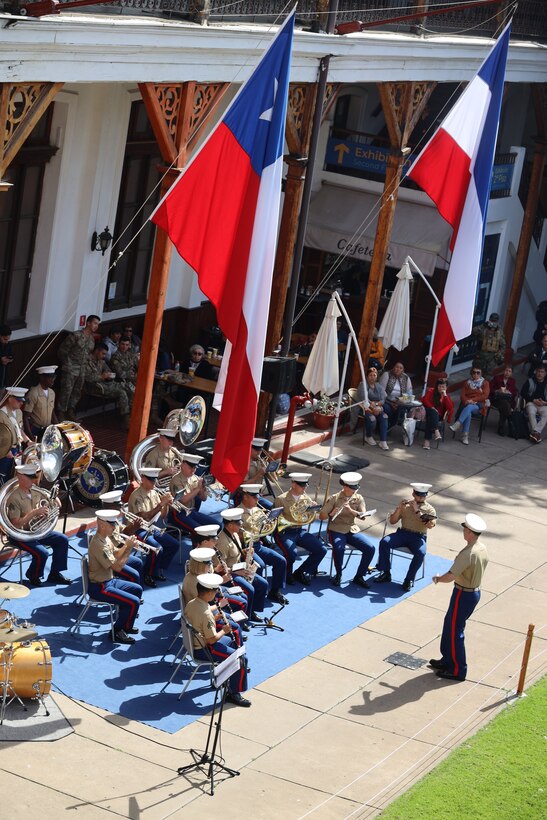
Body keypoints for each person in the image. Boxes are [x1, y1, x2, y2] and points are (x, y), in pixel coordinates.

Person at [429, 512, 488, 681]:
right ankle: (448, 659)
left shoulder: (467, 553)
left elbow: (451, 575)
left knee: (455, 631)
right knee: (450, 625)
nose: (463, 531)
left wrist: (439, 579)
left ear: (469, 532)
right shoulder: (481, 548)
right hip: (470, 592)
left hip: (464, 593)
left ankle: (458, 670)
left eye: (465, 529)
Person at [185, 573, 251, 707]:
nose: (215, 593)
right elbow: (211, 640)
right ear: (209, 593)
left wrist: (216, 619)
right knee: (240, 659)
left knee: (232, 643)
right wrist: (224, 631)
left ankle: (226, 677)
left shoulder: (192, 604)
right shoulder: (206, 613)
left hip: (196, 643)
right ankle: (233, 693)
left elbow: (200, 623)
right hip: (204, 649)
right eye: (214, 591)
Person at [6, 463, 71, 586]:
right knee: (42, 553)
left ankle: (55, 574)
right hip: (19, 535)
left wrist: (52, 500)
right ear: (20, 478)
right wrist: (34, 512)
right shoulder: (13, 497)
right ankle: (33, 574)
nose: (34, 480)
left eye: (34, 477)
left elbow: (57, 505)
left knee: (62, 540)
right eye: (30, 477)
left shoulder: (35, 491)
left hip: (35, 531)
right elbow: (15, 524)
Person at [87, 509, 142, 644]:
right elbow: (117, 567)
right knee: (133, 602)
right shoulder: (98, 544)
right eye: (112, 524)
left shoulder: (105, 538)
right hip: (99, 587)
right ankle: (116, 631)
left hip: (108, 581)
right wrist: (128, 548)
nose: (114, 527)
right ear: (103, 525)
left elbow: (116, 554)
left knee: (137, 589)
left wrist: (128, 545)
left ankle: (126, 626)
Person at [374, 482, 436, 591]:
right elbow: (392, 521)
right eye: (418, 495)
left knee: (420, 553)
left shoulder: (430, 509)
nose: (421, 497)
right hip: (403, 533)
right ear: (413, 494)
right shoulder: (406, 505)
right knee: (385, 542)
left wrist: (417, 511)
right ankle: (386, 572)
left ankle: (409, 579)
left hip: (418, 537)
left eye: (423, 495)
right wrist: (399, 509)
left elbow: (430, 525)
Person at [319, 472, 376, 588]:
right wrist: (331, 513)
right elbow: (322, 516)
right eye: (352, 488)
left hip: (351, 529)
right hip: (336, 529)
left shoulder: (358, 498)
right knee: (339, 548)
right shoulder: (335, 498)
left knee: (370, 548)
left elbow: (363, 516)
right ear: (345, 487)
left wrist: (351, 511)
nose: (355, 490)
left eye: (356, 487)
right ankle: (338, 574)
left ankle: (359, 576)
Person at [182, 545, 246, 643]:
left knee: (232, 617)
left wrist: (216, 571)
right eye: (208, 563)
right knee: (235, 627)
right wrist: (220, 605)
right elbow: (202, 606)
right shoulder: (196, 581)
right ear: (200, 565)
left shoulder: (196, 575)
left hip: (202, 610)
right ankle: (237, 650)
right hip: (201, 615)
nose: (210, 565)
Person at [273, 473, 327, 585]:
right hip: (285, 532)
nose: (304, 488)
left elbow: (310, 520)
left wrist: (312, 511)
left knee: (321, 550)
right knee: (291, 554)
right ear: (293, 484)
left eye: (305, 485)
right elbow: (273, 519)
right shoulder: (281, 499)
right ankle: (286, 575)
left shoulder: (306, 498)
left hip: (299, 531)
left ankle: (301, 571)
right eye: (302, 485)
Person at [240, 484, 288, 605]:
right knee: (259, 566)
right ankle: (254, 599)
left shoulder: (257, 510)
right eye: (254, 497)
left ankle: (275, 591)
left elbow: (263, 530)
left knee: (281, 560)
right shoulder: (238, 512)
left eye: (258, 497)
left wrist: (269, 521)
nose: (257, 499)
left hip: (257, 545)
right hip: (244, 549)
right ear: (245, 496)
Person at [217, 507, 268, 622]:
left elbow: (236, 552)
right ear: (230, 525)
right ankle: (244, 618)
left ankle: (252, 611)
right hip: (230, 574)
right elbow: (220, 567)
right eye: (238, 523)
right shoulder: (222, 541)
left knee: (263, 584)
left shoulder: (234, 534)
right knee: (249, 590)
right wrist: (235, 572)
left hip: (239, 568)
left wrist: (245, 552)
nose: (241, 525)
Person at [127, 467, 175, 585]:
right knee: (156, 549)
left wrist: (167, 504)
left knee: (174, 545)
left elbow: (162, 516)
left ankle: (158, 568)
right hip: (138, 529)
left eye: (155, 480)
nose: (154, 483)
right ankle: (148, 574)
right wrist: (161, 504)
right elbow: (145, 517)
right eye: (151, 480)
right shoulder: (136, 496)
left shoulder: (154, 492)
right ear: (143, 479)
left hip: (151, 527)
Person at [57, 314, 100, 420]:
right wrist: (68, 364)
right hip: (71, 368)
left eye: (98, 324)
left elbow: (89, 353)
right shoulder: (76, 336)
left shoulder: (91, 339)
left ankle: (71, 410)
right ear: (88, 323)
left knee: (77, 391)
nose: (96, 326)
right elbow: (62, 351)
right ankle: (61, 412)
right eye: (94, 323)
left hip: (82, 369)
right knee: (66, 390)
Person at [84, 342, 132, 427]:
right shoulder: (86, 361)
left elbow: (109, 371)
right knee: (121, 392)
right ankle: (126, 418)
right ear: (97, 351)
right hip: (95, 386)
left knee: (129, 387)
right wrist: (101, 376)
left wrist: (110, 375)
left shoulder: (101, 361)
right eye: (103, 353)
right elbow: (87, 378)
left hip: (106, 384)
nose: (104, 356)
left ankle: (132, 413)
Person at [169, 452, 219, 532]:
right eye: (190, 467)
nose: (193, 470)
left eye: (195, 467)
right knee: (200, 531)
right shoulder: (176, 480)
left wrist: (202, 488)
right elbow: (183, 500)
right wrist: (198, 489)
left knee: (217, 525)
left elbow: (203, 498)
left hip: (191, 511)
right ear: (183, 464)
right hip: (179, 513)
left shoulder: (195, 478)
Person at [449, 366, 490, 445]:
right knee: (468, 411)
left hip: (479, 406)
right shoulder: (467, 383)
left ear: (481, 374)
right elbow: (462, 395)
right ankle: (465, 436)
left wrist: (473, 400)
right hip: (467, 404)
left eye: (478, 373)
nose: (476, 374)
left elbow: (485, 396)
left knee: (469, 408)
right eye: (474, 372)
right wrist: (467, 401)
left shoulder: (485, 383)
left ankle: (458, 424)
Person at [351, 367, 389, 450]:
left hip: (376, 407)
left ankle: (383, 441)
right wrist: (373, 408)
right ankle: (368, 436)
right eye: (370, 375)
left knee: (384, 417)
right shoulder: (363, 385)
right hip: (364, 408)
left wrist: (377, 406)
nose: (372, 377)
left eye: (374, 375)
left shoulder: (378, 386)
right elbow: (365, 399)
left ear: (377, 376)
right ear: (367, 376)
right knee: (372, 419)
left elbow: (383, 399)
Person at [0, 386, 30, 482]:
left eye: (22, 401)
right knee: (3, 477)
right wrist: (5, 450)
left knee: (12, 477)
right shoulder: (1, 415)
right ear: (10, 399)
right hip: (4, 452)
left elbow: (19, 430)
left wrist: (28, 441)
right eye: (18, 400)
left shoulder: (19, 412)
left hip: (16, 449)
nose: (21, 403)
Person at [23, 365, 59, 440]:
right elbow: (26, 417)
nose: (53, 380)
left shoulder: (52, 393)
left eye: (54, 377)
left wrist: (59, 428)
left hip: (47, 429)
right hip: (36, 430)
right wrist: (31, 437)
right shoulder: (33, 393)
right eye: (50, 377)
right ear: (42, 378)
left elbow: (52, 412)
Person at [421, 378, 454, 450]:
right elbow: (425, 400)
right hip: (427, 411)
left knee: (431, 417)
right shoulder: (431, 391)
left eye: (443, 387)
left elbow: (450, 408)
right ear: (437, 386)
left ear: (446, 387)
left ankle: (427, 441)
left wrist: (445, 396)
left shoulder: (446, 396)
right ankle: (436, 430)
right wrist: (432, 407)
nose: (441, 388)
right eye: (440, 386)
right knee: (433, 412)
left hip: (438, 416)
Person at [379, 362, 413, 428]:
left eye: (400, 368)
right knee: (387, 408)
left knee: (402, 409)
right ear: (393, 367)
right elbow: (381, 390)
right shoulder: (387, 375)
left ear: (403, 370)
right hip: (386, 400)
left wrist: (402, 401)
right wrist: (391, 401)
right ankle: (389, 426)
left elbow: (409, 392)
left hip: (399, 402)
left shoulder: (406, 378)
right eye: (397, 367)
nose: (398, 369)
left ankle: (391, 425)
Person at [489, 365, 518, 436]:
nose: (507, 373)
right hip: (496, 400)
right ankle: (509, 420)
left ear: (511, 374)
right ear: (503, 371)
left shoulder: (512, 381)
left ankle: (501, 427)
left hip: (507, 401)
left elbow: (515, 392)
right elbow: (490, 388)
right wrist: (497, 391)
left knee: (504, 406)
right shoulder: (497, 378)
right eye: (506, 370)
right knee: (505, 405)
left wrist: (509, 392)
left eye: (509, 371)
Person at [521, 365, 547, 443]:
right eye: (538, 371)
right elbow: (523, 393)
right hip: (531, 403)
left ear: (545, 373)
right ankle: (537, 434)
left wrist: (545, 402)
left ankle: (535, 433)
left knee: (546, 413)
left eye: (542, 372)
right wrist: (533, 400)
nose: (540, 374)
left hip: (543, 404)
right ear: (535, 372)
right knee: (531, 412)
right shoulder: (530, 381)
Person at [0, 325, 14, 390]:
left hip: (4, 376)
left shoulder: (8, 345)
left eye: (8, 339)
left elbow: (11, 355)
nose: (7, 341)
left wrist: (9, 359)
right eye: (5, 339)